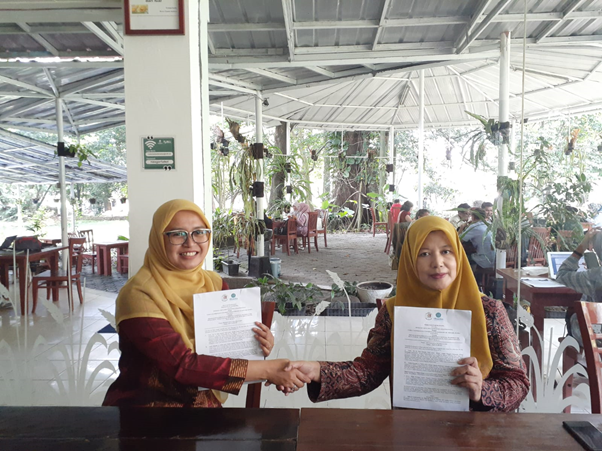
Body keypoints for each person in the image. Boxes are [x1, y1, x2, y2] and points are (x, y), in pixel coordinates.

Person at [279, 216, 529, 411]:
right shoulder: (393, 312)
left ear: (458, 256)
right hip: (411, 430)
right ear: (409, 260)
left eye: (446, 251)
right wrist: (317, 371)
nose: (437, 262)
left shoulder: (489, 312)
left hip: (478, 432)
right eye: (424, 253)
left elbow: (517, 383)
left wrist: (481, 389)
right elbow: (368, 372)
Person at [103, 199, 309, 407]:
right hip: (146, 413)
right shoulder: (139, 294)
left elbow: (227, 347)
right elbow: (182, 365)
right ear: (159, 239)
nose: (190, 243)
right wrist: (269, 370)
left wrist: (257, 344)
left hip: (205, 408)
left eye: (199, 232)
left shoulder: (213, 283)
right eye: (177, 234)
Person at [557, 228, 602, 347]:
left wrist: (581, 248)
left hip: (597, 338)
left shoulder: (594, 277)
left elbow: (562, 275)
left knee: (574, 316)